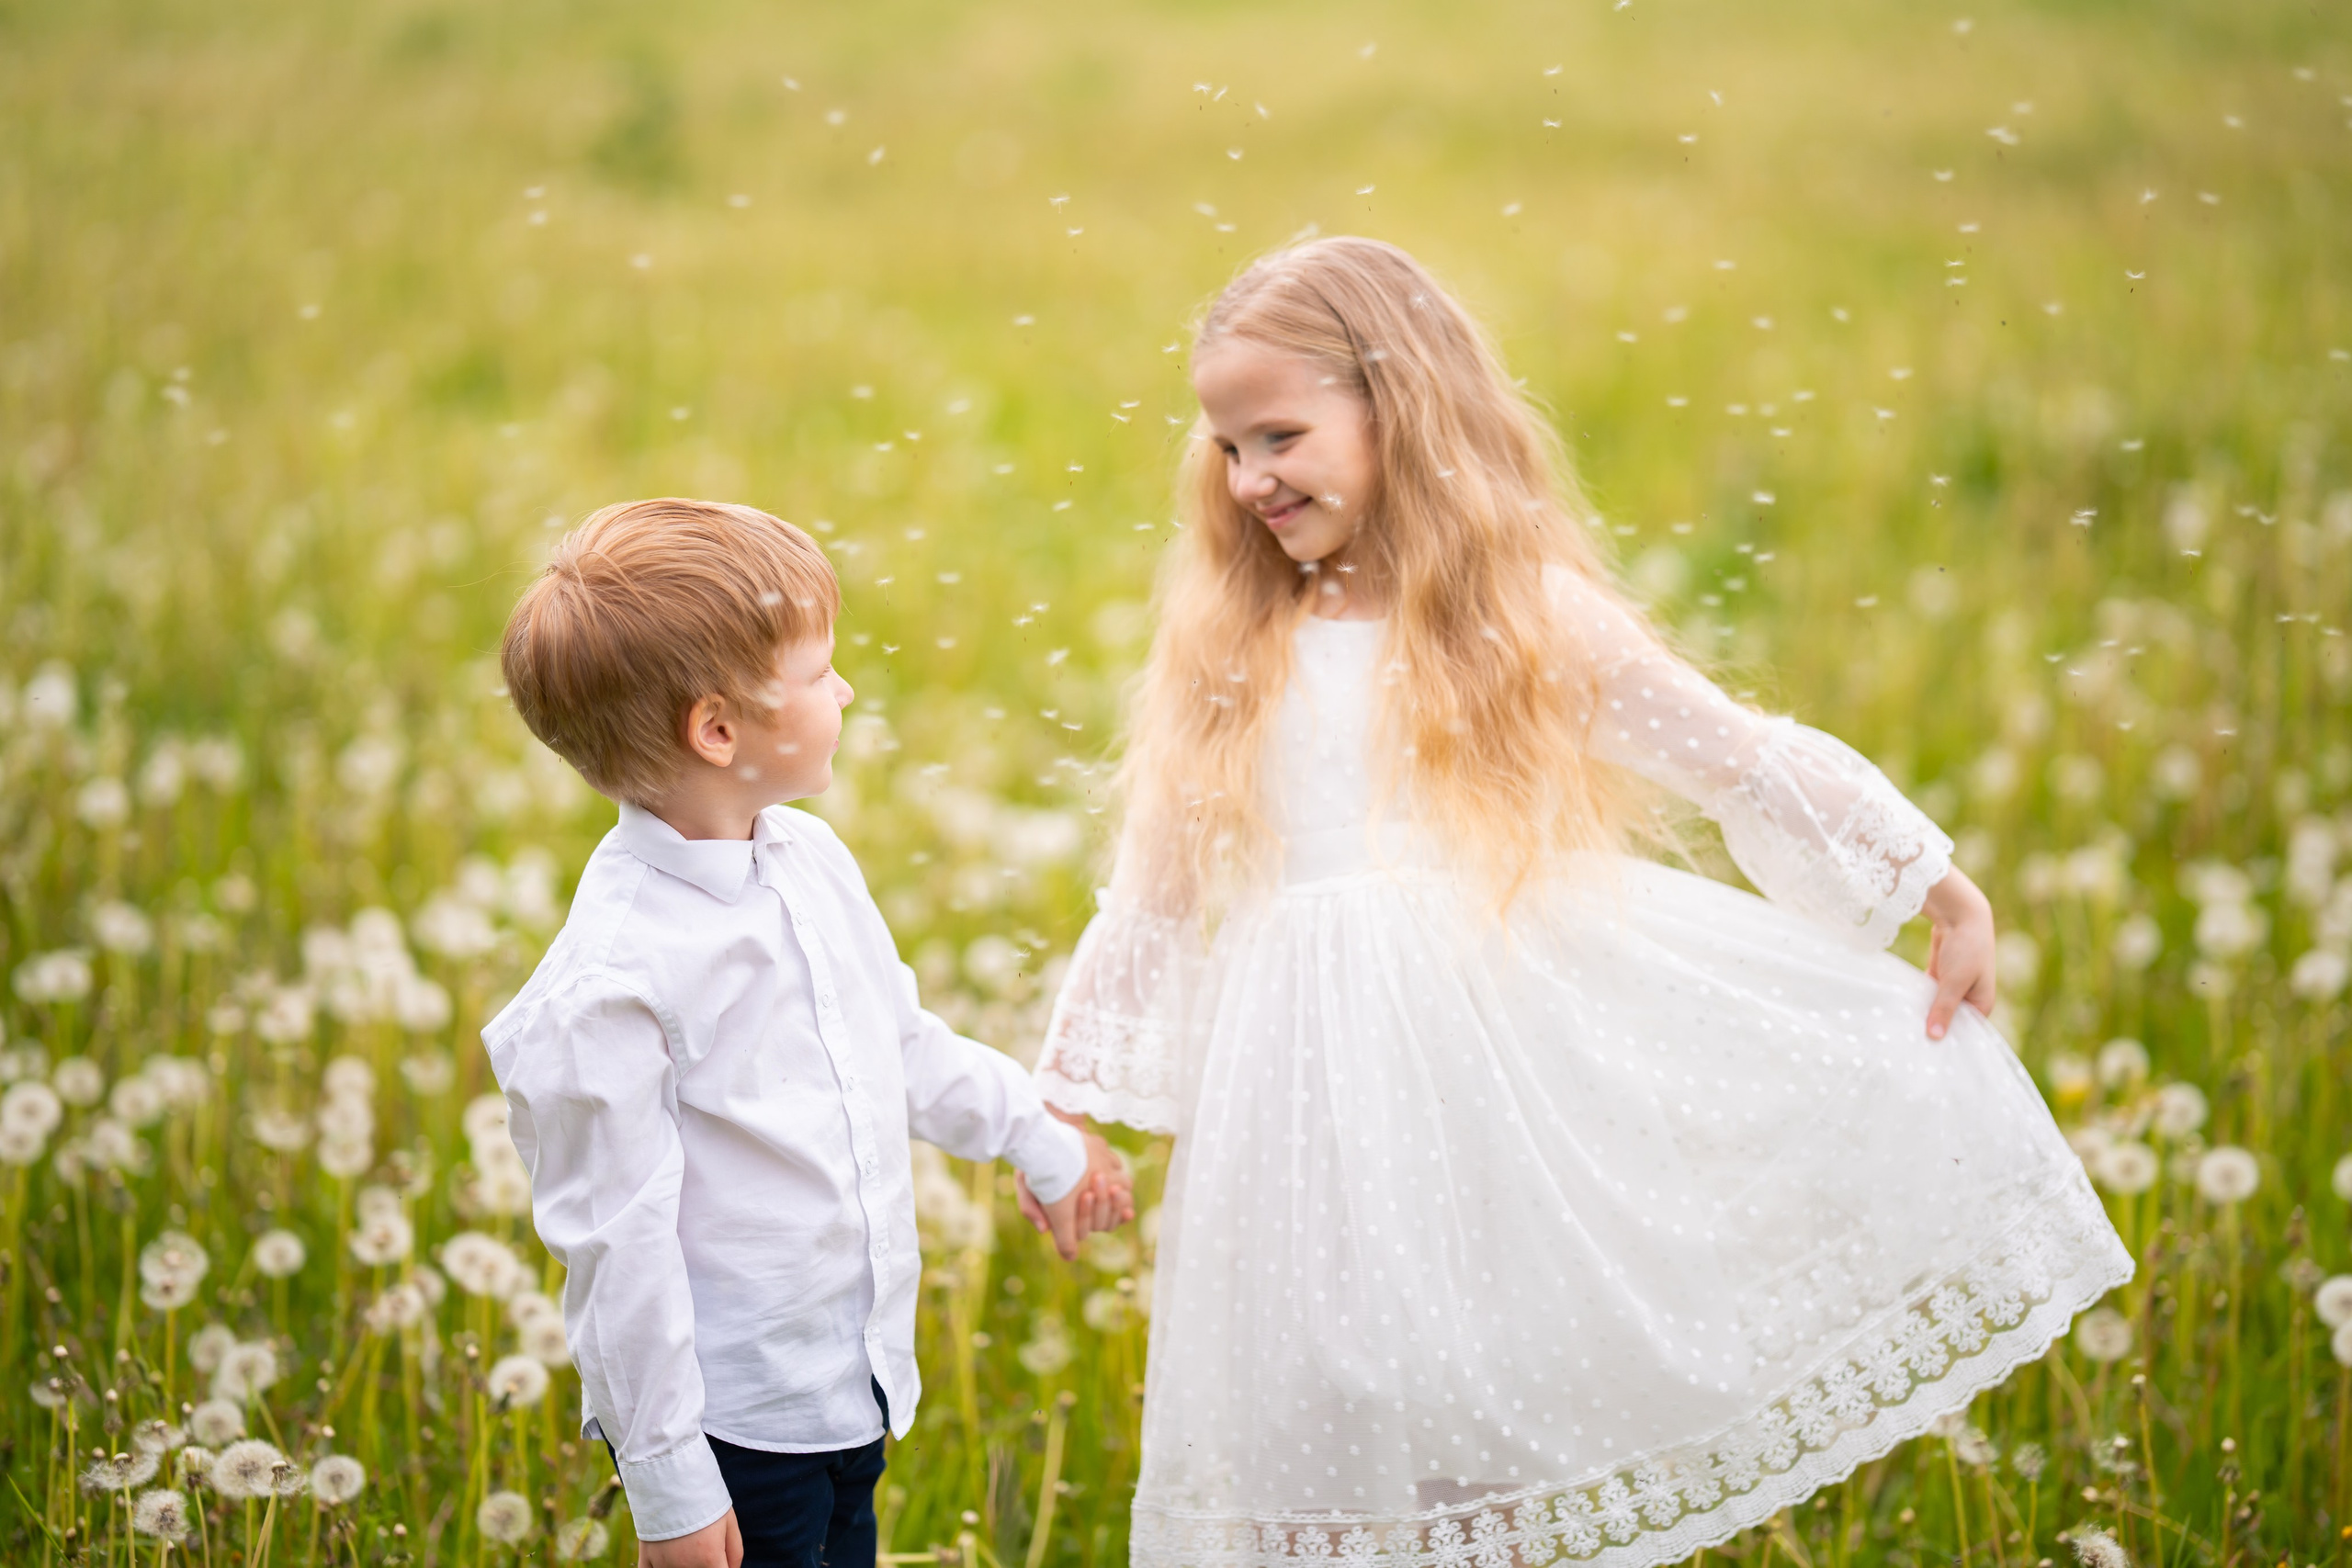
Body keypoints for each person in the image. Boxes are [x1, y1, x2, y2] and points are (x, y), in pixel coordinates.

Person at [1032, 239, 2131, 1567]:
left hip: (1496, 1065)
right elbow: (1153, 890)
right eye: (1227, 445)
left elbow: (1737, 754)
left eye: (1283, 434)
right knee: (1328, 1399)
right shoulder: (1230, 642)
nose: (1253, 477)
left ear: (1399, 407)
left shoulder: (1520, 613)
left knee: (1481, 1385)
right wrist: (1066, 1098)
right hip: (1302, 1101)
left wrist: (1933, 884)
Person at [487, 499, 1132, 1568]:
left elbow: (904, 1049)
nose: (845, 689)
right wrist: (671, 1494)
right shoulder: (614, 984)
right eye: (818, 671)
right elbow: (618, 1252)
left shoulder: (810, 862)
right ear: (719, 730)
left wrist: (1043, 1141)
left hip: (850, 1385)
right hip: (739, 1436)